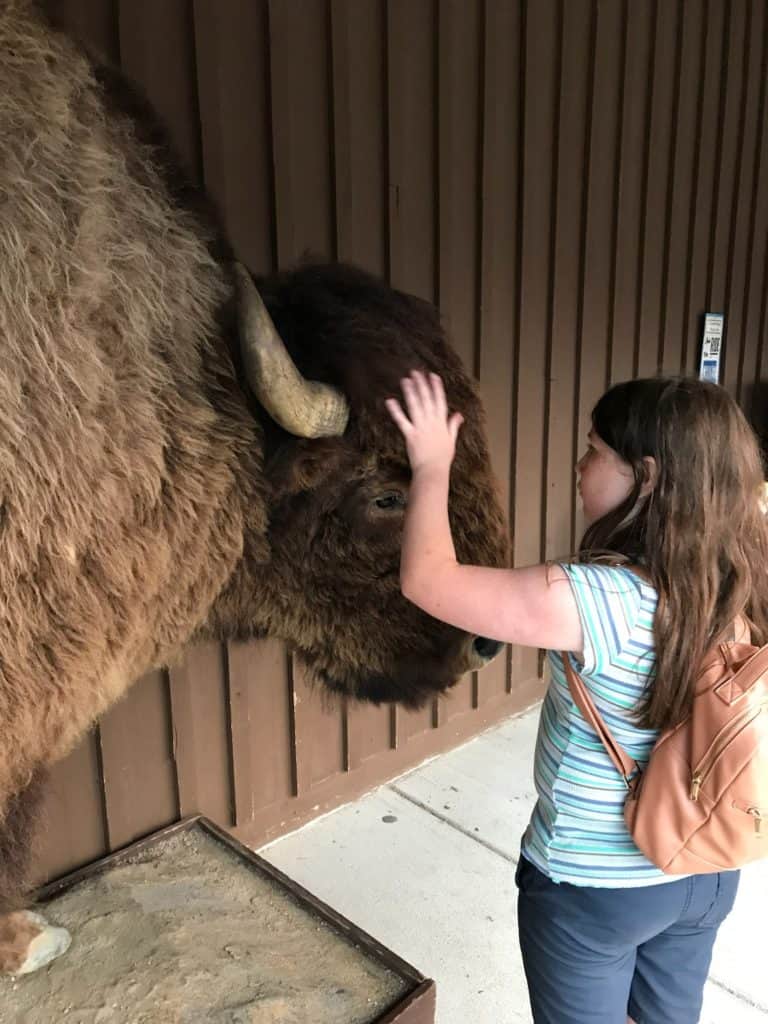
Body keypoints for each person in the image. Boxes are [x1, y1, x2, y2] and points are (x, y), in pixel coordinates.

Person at [385, 371, 768, 1024]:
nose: (580, 464)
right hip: (708, 866)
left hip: (595, 887)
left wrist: (430, 467)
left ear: (646, 477)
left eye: (594, 450)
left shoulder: (595, 600)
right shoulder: (747, 579)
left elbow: (428, 579)